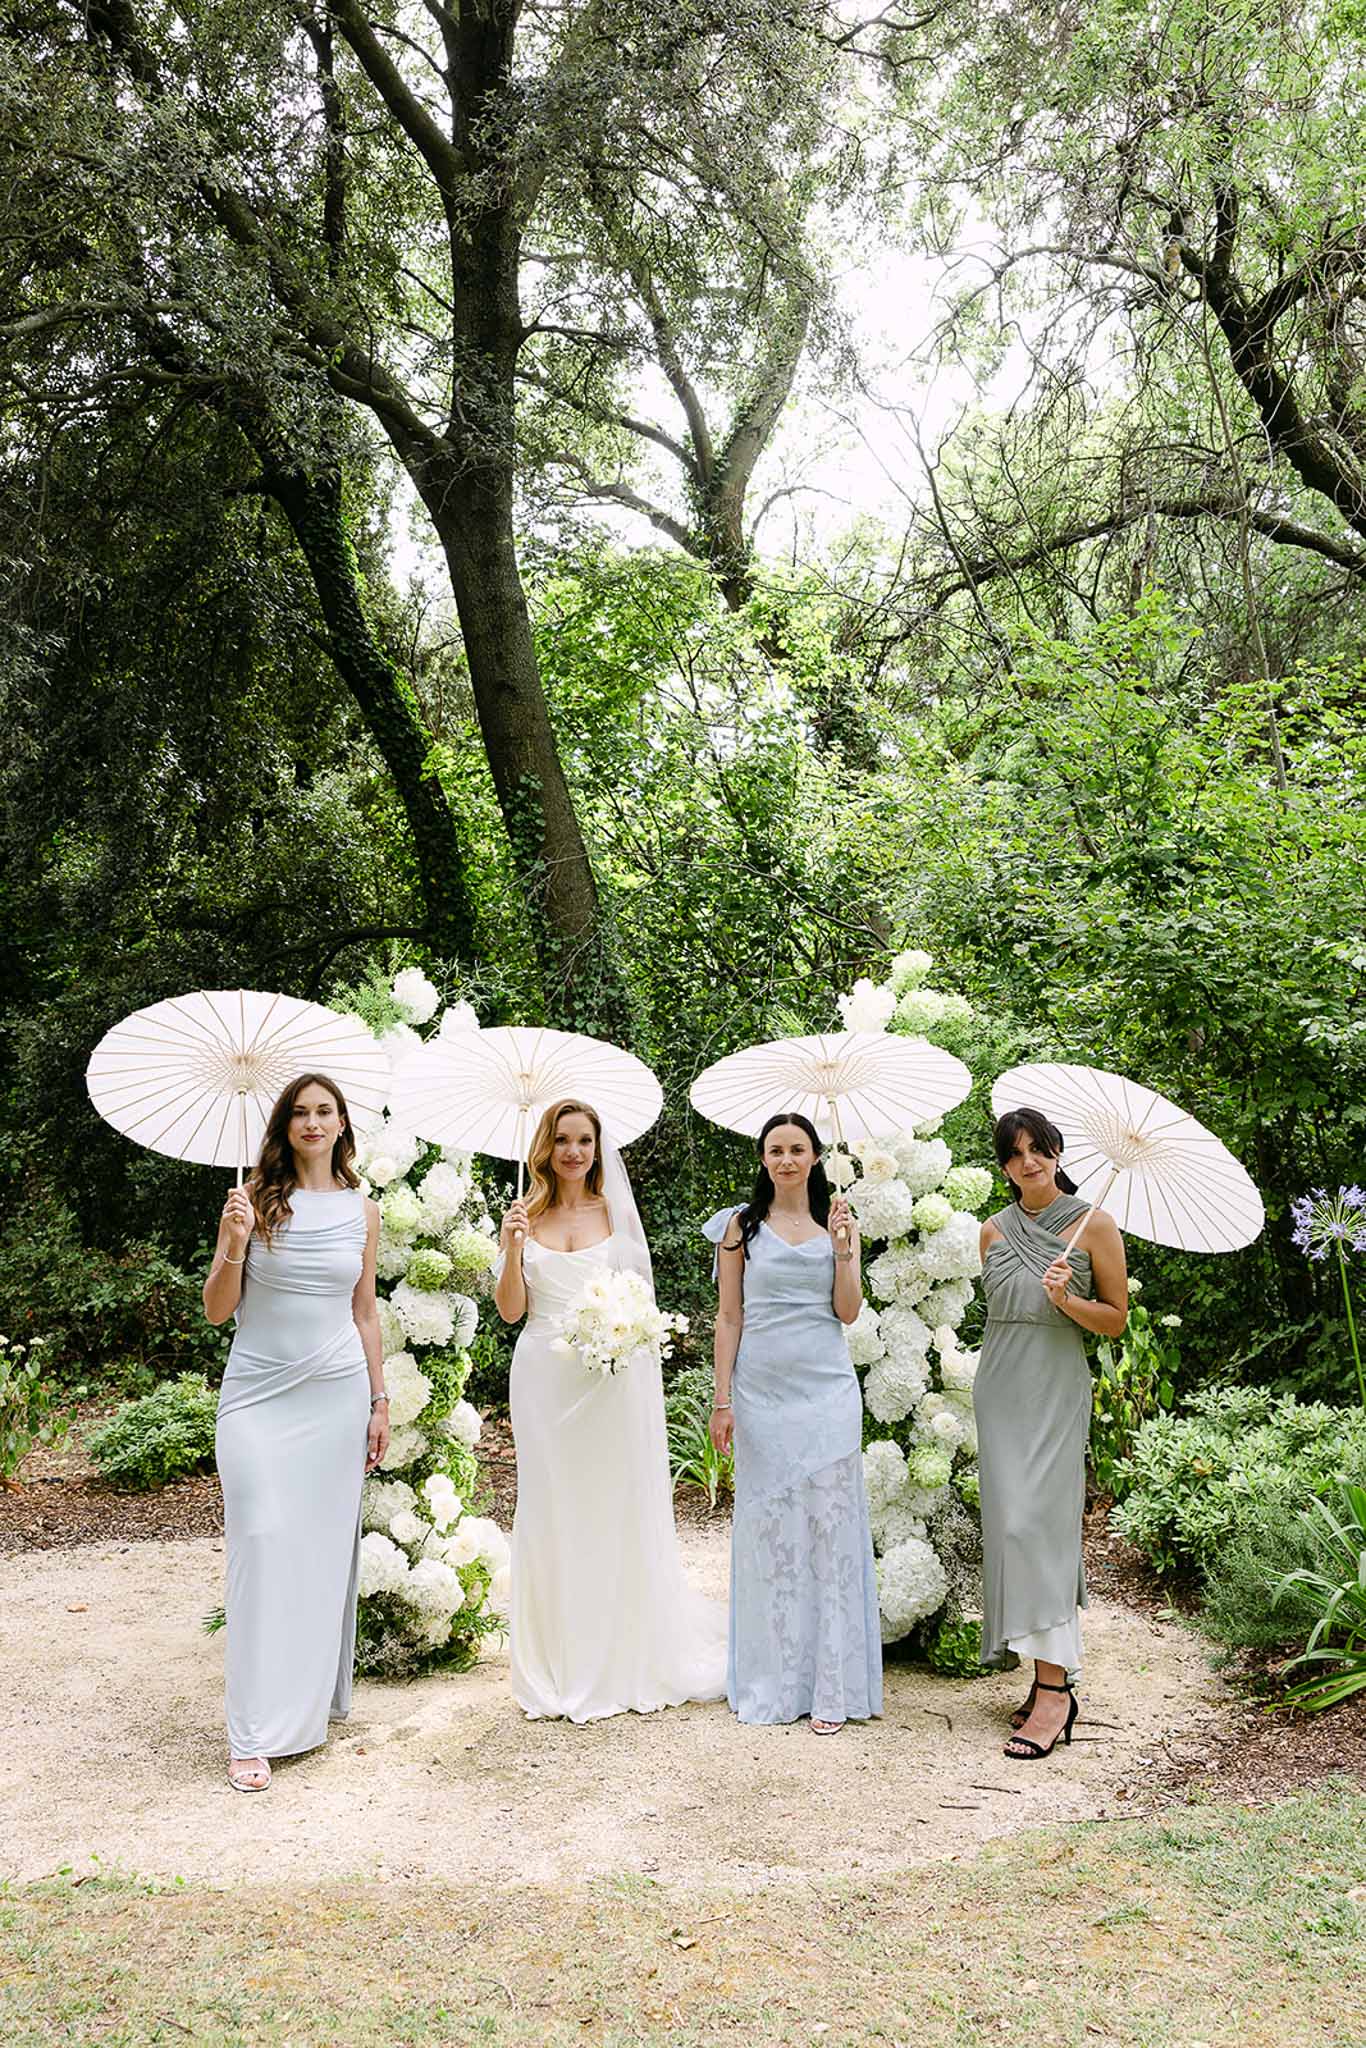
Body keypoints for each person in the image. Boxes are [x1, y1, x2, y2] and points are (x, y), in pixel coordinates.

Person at [494, 1098, 726, 1721]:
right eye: (563, 1140)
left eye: (584, 1141)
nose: (573, 1151)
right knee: (550, 1509)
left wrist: (621, 1346)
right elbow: (512, 1311)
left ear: (597, 1149)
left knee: (609, 1508)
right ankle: (557, 1659)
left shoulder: (615, 1215)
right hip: (544, 1377)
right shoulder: (523, 1215)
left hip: (609, 1382)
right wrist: (513, 1247)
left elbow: (637, 1309)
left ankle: (619, 1652)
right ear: (545, 1146)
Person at [203, 1073, 387, 1792]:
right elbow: (220, 1312)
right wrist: (232, 1242)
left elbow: (364, 1312)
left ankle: (309, 1707)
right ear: (283, 1126)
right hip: (257, 1396)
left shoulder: (363, 1212)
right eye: (300, 1113)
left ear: (342, 1125)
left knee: (316, 1550)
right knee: (258, 1539)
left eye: (324, 1111)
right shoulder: (250, 1203)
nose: (312, 1122)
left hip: (336, 1393)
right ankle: (249, 1730)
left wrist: (378, 1399)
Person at [703, 1113, 882, 1733]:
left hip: (828, 1391)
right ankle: (775, 1678)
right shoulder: (740, 1227)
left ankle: (832, 1686)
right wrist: (722, 1399)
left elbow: (848, 1312)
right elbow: (729, 1317)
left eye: (797, 1149)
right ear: (762, 1158)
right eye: (775, 1150)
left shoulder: (837, 1223)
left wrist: (844, 1251)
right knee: (771, 1532)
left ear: (813, 1157)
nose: (786, 1159)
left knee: (830, 1532)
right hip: (761, 1393)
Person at [976, 1106, 1127, 1762]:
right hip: (1000, 1388)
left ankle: (1054, 1690)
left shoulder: (1097, 1225)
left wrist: (1069, 1300)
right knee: (1010, 1530)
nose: (1029, 1161)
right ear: (1004, 1166)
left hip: (1056, 1389)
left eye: (1039, 1148)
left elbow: (1116, 1321)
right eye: (1015, 1154)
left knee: (1040, 1528)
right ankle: (1046, 1672)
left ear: (1058, 1152)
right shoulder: (991, 1231)